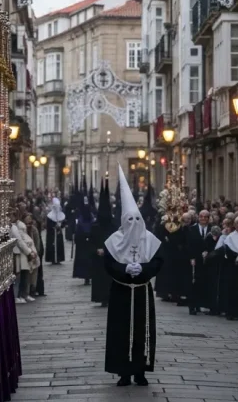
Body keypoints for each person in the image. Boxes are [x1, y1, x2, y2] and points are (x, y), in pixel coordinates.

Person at [104, 166, 163, 387]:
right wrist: (124, 270)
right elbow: (108, 264)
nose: (134, 225)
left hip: (142, 291)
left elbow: (158, 261)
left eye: (137, 220)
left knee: (142, 331)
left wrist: (144, 271)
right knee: (121, 331)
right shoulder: (113, 240)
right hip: (120, 290)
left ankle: (140, 371)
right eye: (129, 220)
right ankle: (123, 372)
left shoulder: (150, 239)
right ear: (123, 220)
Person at [91, 179, 116, 307]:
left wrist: (106, 250)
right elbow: (90, 241)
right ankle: (101, 297)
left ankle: (109, 297)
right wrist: (96, 249)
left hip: (110, 256)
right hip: (98, 256)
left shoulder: (113, 226)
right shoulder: (95, 226)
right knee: (100, 277)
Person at [187, 210, 213, 315]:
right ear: (198, 217)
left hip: (208, 260)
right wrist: (191, 257)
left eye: (206, 217)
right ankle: (192, 306)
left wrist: (208, 252)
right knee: (194, 283)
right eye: (201, 216)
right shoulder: (192, 229)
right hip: (195, 260)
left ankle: (202, 304)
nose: (203, 219)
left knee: (205, 283)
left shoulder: (212, 229)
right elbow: (189, 244)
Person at [72, 183, 94, 285]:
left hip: (85, 244)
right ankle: (87, 276)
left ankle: (87, 276)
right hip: (86, 244)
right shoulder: (86, 219)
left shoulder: (86, 219)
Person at [45, 197, 66, 264]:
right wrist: (54, 227)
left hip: (59, 234)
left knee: (59, 246)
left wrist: (60, 226)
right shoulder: (49, 216)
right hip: (52, 234)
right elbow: (48, 226)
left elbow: (64, 223)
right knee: (52, 246)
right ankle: (52, 259)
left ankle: (59, 258)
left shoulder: (61, 215)